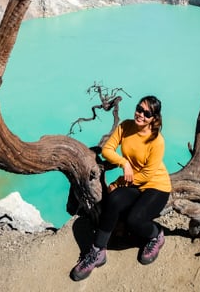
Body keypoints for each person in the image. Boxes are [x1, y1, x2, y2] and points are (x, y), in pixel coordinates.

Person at [70, 95, 171, 281]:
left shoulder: (157, 141)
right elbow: (108, 150)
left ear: (154, 118)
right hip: (134, 182)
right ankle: (98, 251)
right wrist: (124, 163)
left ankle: (156, 234)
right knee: (114, 200)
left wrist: (119, 182)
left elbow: (147, 176)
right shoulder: (125, 126)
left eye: (146, 113)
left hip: (156, 186)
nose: (140, 114)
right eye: (139, 109)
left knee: (135, 220)